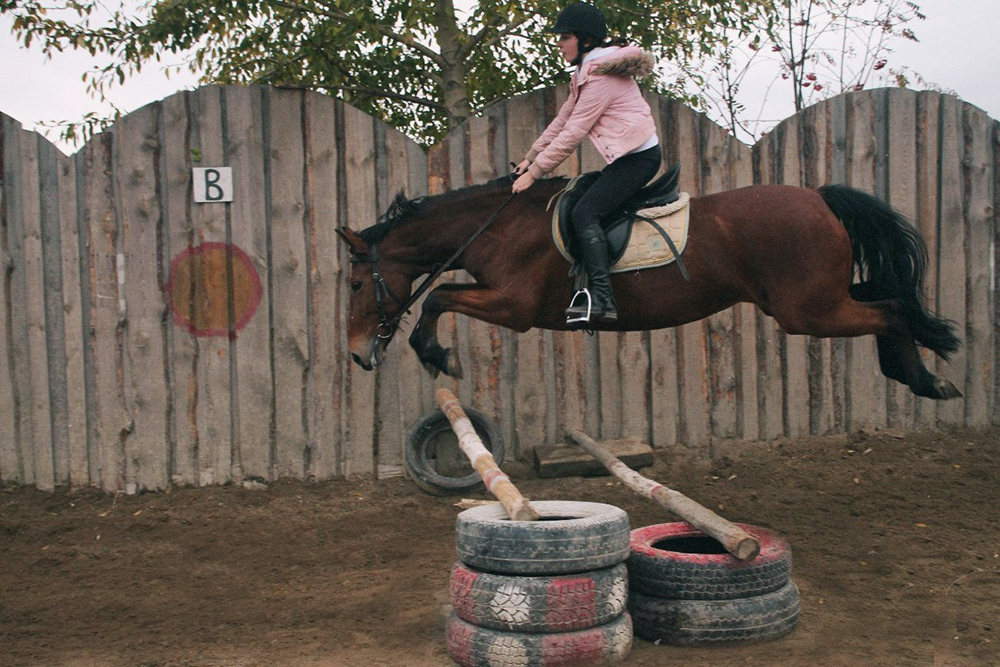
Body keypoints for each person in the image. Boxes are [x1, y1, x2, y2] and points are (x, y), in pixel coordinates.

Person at [512, 1, 661, 326]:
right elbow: (564, 119)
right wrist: (531, 156)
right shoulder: (586, 72)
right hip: (628, 158)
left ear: (587, 40)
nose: (559, 43)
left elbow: (573, 133)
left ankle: (604, 299)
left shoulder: (600, 79)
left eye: (565, 37)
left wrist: (535, 175)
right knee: (578, 197)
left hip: (640, 160)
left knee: (585, 212)